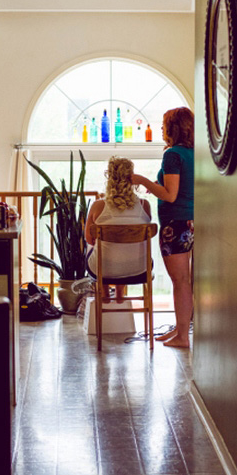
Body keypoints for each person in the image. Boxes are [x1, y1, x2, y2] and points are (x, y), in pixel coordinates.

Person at [131, 107, 194, 348]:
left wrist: (143, 180)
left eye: (164, 125)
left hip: (175, 224)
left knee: (180, 281)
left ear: (173, 128)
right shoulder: (193, 153)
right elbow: (181, 187)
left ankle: (181, 336)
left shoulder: (173, 155)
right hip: (192, 220)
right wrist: (157, 184)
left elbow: (170, 195)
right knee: (185, 280)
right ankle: (180, 331)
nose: (161, 129)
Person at [85, 156, 151, 303]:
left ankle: (105, 292)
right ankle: (120, 292)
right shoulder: (144, 205)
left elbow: (89, 238)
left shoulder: (98, 206)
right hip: (139, 270)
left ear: (109, 177)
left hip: (103, 271)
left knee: (95, 247)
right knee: (128, 249)